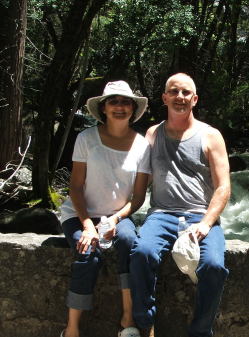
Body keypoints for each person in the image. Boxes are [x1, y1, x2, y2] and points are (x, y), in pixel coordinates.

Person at [130, 73, 231, 337]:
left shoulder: (211, 136)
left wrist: (207, 223)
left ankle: (199, 332)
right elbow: (140, 178)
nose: (180, 97)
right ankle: (146, 326)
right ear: (164, 97)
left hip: (200, 216)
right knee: (141, 253)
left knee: (213, 267)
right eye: (174, 92)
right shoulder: (153, 134)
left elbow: (223, 187)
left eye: (186, 93)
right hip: (162, 214)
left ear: (195, 99)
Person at [59, 80, 151, 337]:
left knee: (129, 241)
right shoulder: (86, 138)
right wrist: (88, 225)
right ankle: (72, 328)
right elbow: (75, 187)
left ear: (133, 108)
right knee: (87, 251)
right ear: (104, 108)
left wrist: (115, 219)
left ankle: (128, 319)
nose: (119, 107)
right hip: (80, 214)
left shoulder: (143, 145)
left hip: (118, 215)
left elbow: (139, 196)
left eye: (125, 102)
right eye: (114, 102)